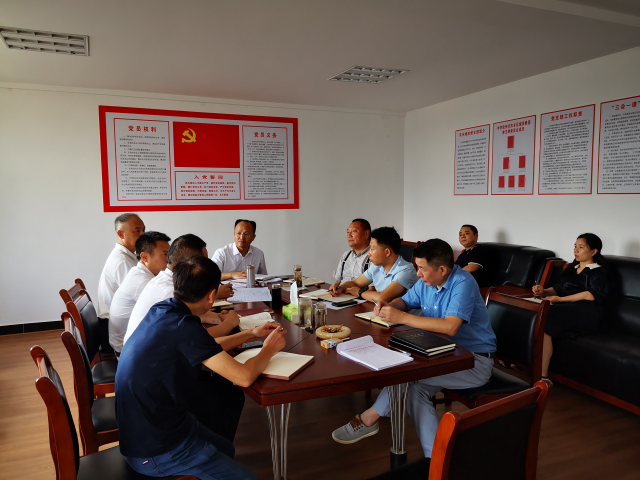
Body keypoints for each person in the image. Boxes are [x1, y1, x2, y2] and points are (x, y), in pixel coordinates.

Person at [116, 256, 286, 479]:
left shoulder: (164, 310)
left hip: (151, 426)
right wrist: (268, 349)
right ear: (212, 295)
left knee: (226, 449)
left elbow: (206, 346)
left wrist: (251, 334)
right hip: (155, 448)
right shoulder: (183, 325)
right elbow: (244, 377)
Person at [332, 239, 496, 458]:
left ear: (442, 269)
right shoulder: (427, 281)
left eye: (422, 269)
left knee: (406, 375)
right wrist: (390, 306)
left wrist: (401, 317)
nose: (418, 274)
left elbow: (450, 327)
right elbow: (406, 301)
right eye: (417, 267)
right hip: (441, 354)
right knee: (413, 390)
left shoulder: (463, 283)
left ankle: (369, 419)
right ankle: (438, 458)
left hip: (473, 360)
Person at [123, 234, 246, 442]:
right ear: (191, 265)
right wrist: (230, 324)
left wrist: (219, 319)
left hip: (143, 375)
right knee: (227, 392)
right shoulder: (168, 293)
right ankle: (206, 446)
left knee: (221, 383)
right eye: (203, 262)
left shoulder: (167, 287)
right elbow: (201, 339)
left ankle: (210, 443)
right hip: (152, 392)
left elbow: (196, 329)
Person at [532, 233, 608, 380]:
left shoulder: (599, 272)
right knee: (532, 311)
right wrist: (543, 291)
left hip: (587, 312)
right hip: (566, 307)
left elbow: (590, 295)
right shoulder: (572, 269)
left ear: (594, 251)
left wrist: (560, 299)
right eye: (575, 246)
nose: (576, 250)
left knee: (546, 315)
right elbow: (559, 288)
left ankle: (542, 376)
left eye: (581, 247)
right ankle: (524, 363)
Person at [108, 231, 170, 355]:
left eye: (170, 253)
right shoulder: (143, 281)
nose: (169, 259)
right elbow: (172, 312)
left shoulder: (140, 273)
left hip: (131, 345)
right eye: (165, 254)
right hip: (126, 352)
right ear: (145, 257)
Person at [330, 226, 418, 304]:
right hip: (383, 313)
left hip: (403, 316)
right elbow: (355, 283)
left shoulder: (406, 270)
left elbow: (382, 298)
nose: (369, 253)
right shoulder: (377, 267)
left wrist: (359, 292)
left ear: (387, 252)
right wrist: (340, 288)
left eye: (372, 249)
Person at [97, 213, 146, 319]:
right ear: (121, 234)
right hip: (115, 322)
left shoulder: (127, 256)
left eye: (143, 230)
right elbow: (140, 296)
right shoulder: (122, 261)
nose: (143, 235)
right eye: (137, 230)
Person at [329, 218, 372, 293]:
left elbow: (372, 288)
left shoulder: (373, 256)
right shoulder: (346, 255)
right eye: (348, 232)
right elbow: (338, 281)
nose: (349, 235)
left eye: (354, 231)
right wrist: (335, 287)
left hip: (360, 297)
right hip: (341, 295)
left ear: (366, 234)